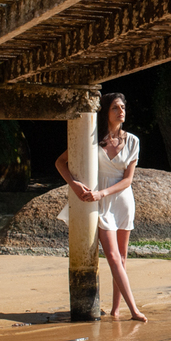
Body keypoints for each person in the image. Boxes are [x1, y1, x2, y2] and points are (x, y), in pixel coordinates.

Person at [55, 92, 147, 322]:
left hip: (122, 200)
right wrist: (75, 185)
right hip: (100, 204)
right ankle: (134, 310)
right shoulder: (92, 141)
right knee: (113, 257)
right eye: (116, 107)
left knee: (122, 258)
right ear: (106, 112)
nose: (121, 111)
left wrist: (101, 193)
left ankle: (117, 311)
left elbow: (128, 180)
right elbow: (60, 162)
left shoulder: (133, 141)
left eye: (123, 107)